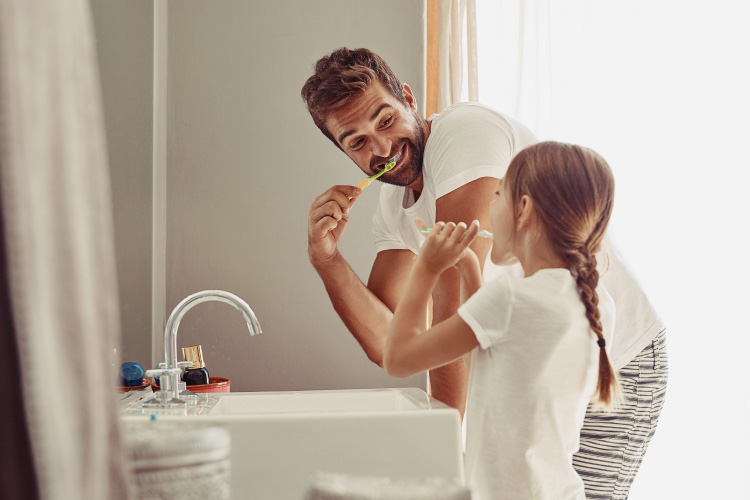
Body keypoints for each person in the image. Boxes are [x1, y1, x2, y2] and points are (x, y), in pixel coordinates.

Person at [302, 47, 667, 499]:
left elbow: (445, 310)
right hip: (537, 371)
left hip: (618, 360)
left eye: (385, 119)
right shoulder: (393, 208)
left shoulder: (463, 134)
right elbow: (388, 342)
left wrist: (444, 461)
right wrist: (327, 260)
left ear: (409, 100)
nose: (381, 148)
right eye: (356, 141)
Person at [384, 141, 618, 500]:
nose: (490, 207)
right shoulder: (596, 302)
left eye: (497, 194)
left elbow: (399, 358)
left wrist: (426, 268)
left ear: (523, 209)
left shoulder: (509, 298)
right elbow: (495, 361)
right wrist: (470, 270)